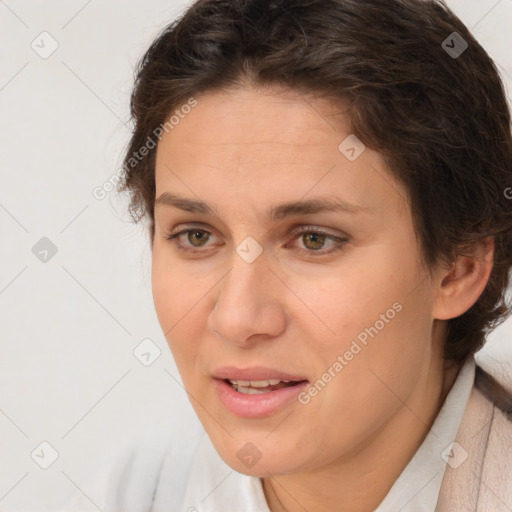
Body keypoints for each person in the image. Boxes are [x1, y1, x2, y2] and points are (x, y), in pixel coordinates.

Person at [62, 0, 512, 510]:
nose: (237, 319)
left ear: (458, 269)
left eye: (314, 239)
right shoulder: (131, 494)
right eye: (196, 236)